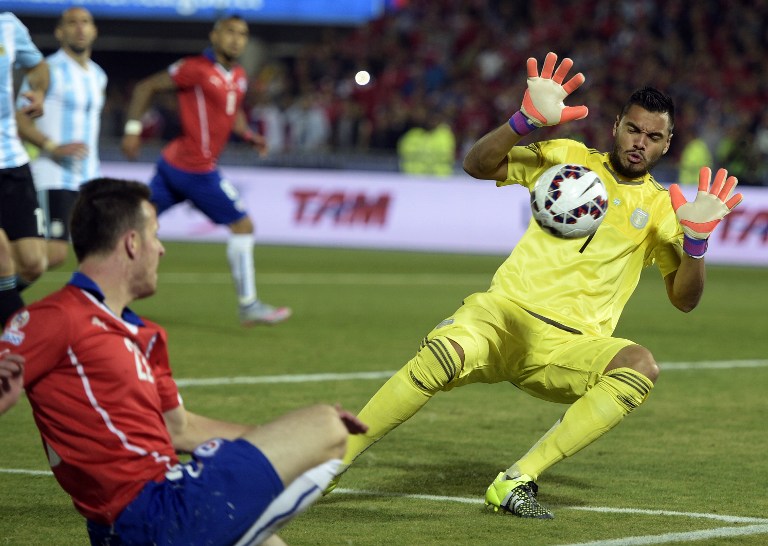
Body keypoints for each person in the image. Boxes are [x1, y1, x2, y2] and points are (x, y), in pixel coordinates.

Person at [326, 52, 743, 519]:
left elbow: (685, 302)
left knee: (640, 366)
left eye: (653, 137)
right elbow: (478, 164)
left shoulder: (667, 209)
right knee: (441, 356)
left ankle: (517, 480)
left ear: (668, 145)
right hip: (502, 316)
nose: (639, 143)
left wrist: (697, 244)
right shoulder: (566, 156)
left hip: (571, 347)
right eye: (633, 129)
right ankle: (331, 465)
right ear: (616, 126)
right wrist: (522, 122)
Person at [0, 177, 368, 544]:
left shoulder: (145, 335)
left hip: (168, 509)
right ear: (131, 243)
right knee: (326, 424)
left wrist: (282, 440)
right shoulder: (56, 317)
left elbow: (181, 429)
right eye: (155, 235)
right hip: (150, 513)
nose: (161, 250)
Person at [121, 15, 290, 327]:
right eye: (230, 32)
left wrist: (249, 135)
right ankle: (248, 304)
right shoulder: (194, 68)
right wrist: (132, 129)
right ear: (214, 36)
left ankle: (105, 299)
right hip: (194, 167)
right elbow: (147, 86)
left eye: (242, 34)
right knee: (243, 226)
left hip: (173, 164)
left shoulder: (238, 75)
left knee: (138, 226)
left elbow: (232, 110)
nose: (236, 39)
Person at [16, 7, 107, 270]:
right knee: (50, 255)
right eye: (72, 23)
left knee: (97, 254)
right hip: (54, 176)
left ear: (94, 31)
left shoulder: (99, 75)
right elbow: (20, 119)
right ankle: (6, 299)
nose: (80, 28)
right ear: (59, 32)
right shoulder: (47, 70)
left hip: (90, 178)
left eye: (85, 22)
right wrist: (53, 147)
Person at [0, 12, 49, 326]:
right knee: (2, 258)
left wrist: (38, 91)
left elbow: (38, 66)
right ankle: (18, 343)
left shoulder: (8, 25)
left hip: (12, 162)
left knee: (34, 263)